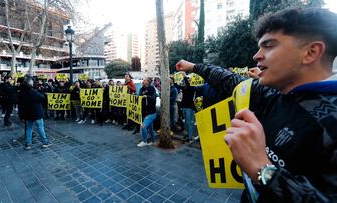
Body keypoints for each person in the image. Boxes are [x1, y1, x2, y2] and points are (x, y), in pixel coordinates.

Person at [176, 8, 337, 202]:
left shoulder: (331, 122)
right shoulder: (273, 94)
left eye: (269, 45)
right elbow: (229, 81)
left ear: (311, 52)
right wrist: (193, 67)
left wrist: (263, 170)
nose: (256, 56)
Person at [18, 75, 51, 150]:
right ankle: (45, 142)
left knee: (29, 128)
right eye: (32, 81)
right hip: (36, 113)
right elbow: (42, 98)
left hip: (27, 113)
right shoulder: (32, 91)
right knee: (40, 127)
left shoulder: (21, 92)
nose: (33, 82)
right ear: (29, 83)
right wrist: (41, 92)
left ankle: (28, 143)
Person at [137, 79, 157, 147]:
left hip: (151, 113)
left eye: (145, 80)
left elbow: (154, 97)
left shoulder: (152, 88)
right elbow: (139, 96)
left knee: (143, 126)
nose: (143, 81)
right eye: (143, 80)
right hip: (144, 112)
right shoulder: (141, 89)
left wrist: (147, 97)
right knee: (150, 128)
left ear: (148, 82)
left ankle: (144, 141)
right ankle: (153, 141)